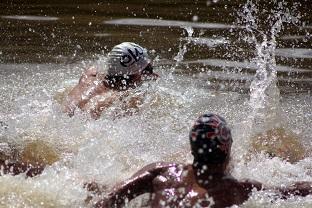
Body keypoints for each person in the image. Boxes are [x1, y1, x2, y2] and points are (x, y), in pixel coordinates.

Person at [94, 113, 312, 208]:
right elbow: (291, 192)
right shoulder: (235, 189)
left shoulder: (159, 173)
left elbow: (106, 201)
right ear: (228, 150)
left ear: (192, 147)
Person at [62, 42, 158, 119]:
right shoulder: (122, 97)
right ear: (136, 74)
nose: (153, 75)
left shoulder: (89, 74)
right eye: (148, 70)